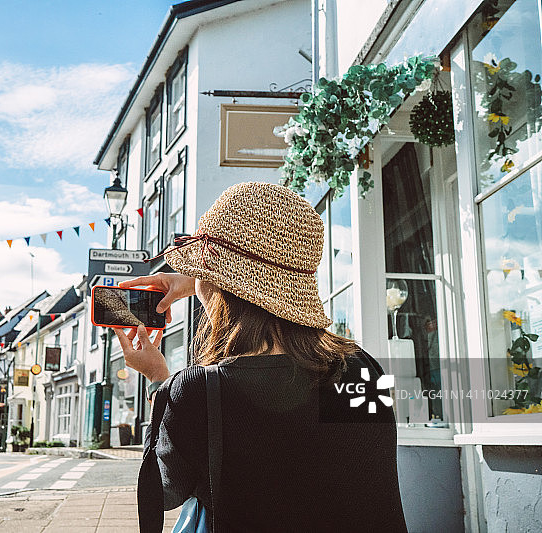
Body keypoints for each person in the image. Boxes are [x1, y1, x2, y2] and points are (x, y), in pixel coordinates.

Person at [113, 182, 406, 532]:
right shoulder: (361, 367)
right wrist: (204, 280)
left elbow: (162, 491)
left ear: (216, 283)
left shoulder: (197, 390)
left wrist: (159, 382)